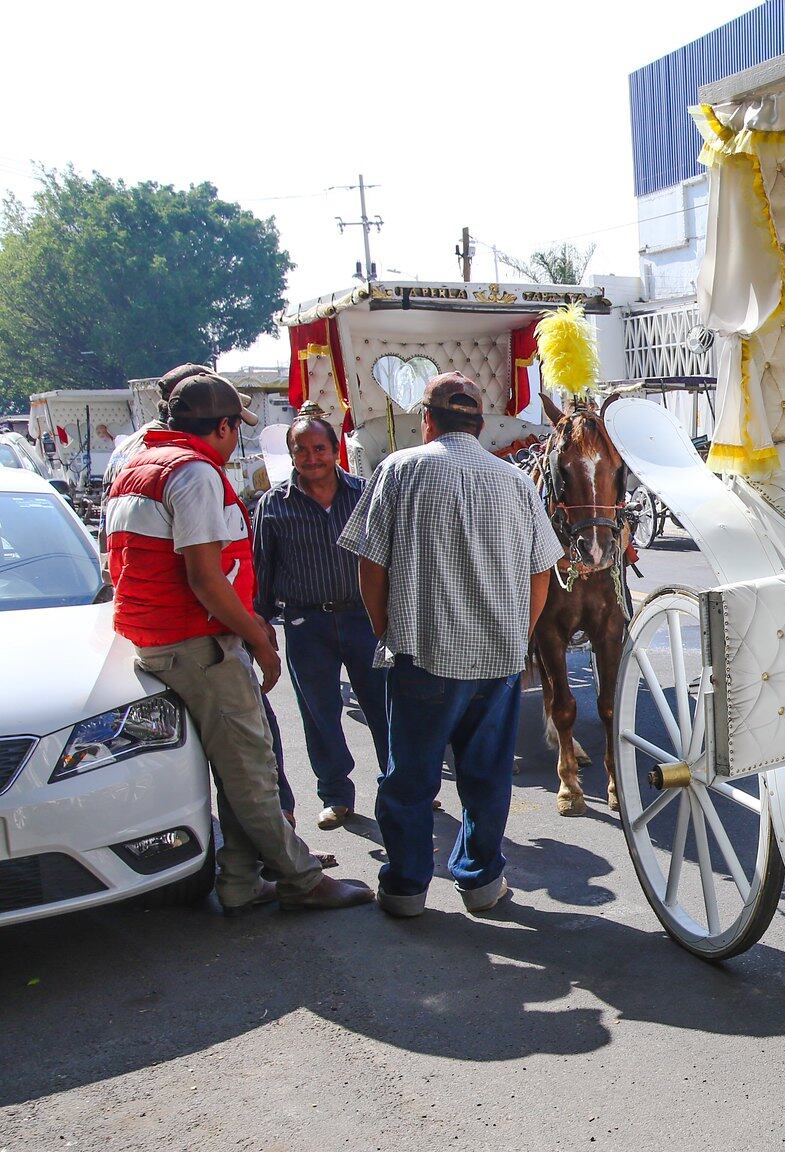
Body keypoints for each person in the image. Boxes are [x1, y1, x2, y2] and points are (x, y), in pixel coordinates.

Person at [102, 365, 372, 916]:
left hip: (161, 638)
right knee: (252, 768)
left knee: (236, 766)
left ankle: (242, 881)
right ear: (222, 428)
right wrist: (259, 638)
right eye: (237, 428)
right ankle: (299, 877)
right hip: (197, 642)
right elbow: (205, 578)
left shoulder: (134, 467)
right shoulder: (194, 473)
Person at [341, 372, 560, 918]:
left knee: (410, 778)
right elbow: (542, 574)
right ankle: (482, 882)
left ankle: (407, 888)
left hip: (424, 656)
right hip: (497, 661)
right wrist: (517, 636)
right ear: (480, 425)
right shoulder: (514, 482)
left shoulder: (399, 469)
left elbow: (371, 564)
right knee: (486, 778)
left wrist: (384, 625)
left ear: (427, 420)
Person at [252, 414, 389, 831]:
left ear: (335, 451)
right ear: (291, 455)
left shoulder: (364, 495)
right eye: (301, 450)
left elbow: (386, 559)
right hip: (305, 625)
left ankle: (400, 787)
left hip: (364, 619)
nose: (311, 458)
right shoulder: (272, 505)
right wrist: (259, 630)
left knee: (384, 707)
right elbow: (262, 571)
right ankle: (335, 795)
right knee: (319, 713)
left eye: (319, 449)